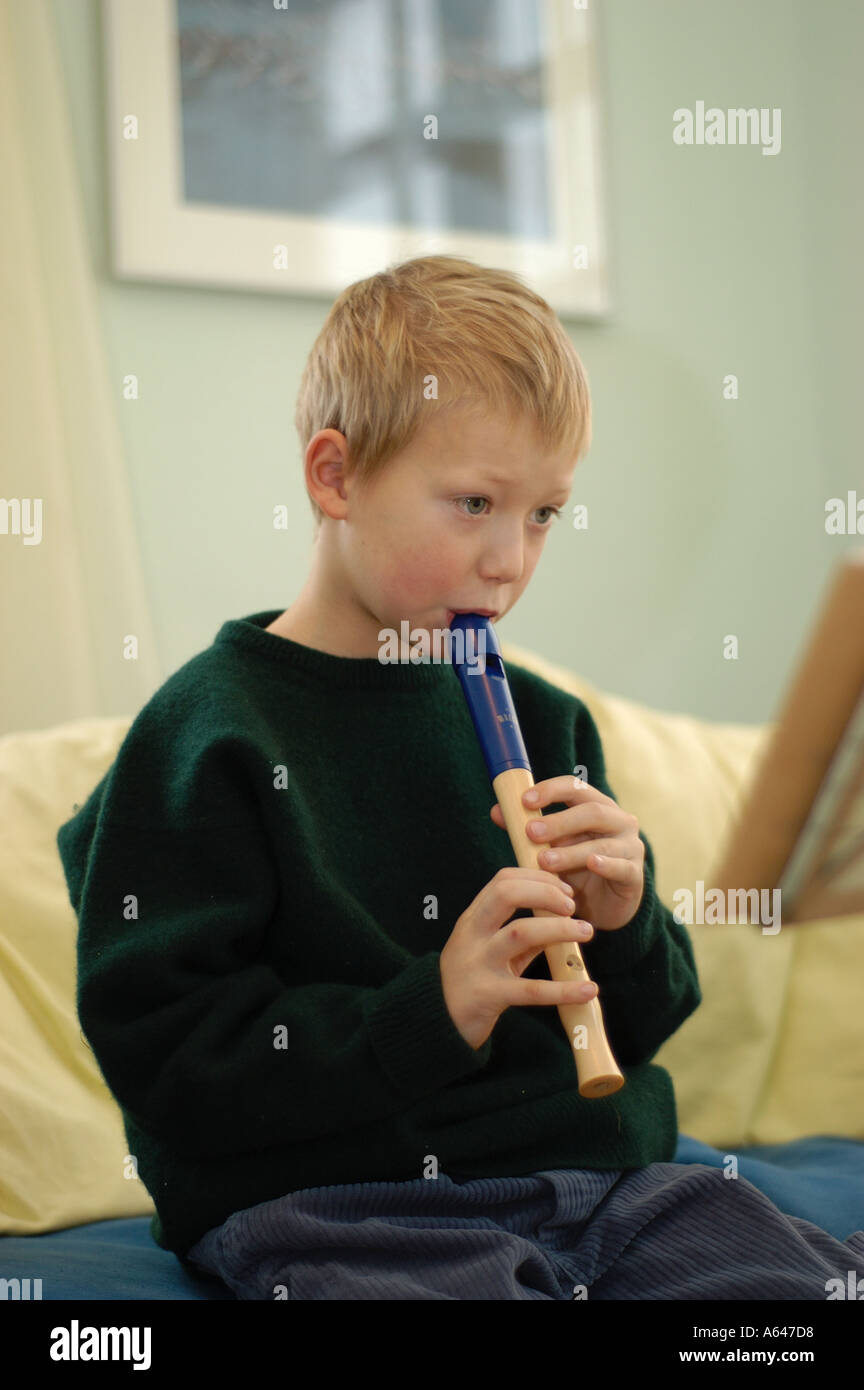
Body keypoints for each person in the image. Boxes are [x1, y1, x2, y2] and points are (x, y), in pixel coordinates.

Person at [56, 255, 864, 1301]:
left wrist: (622, 922)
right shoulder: (208, 735)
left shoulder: (543, 718)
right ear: (335, 476)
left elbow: (642, 1021)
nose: (509, 561)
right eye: (475, 502)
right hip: (347, 1199)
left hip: (607, 1182)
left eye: (542, 515)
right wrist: (429, 1007)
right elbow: (172, 1064)